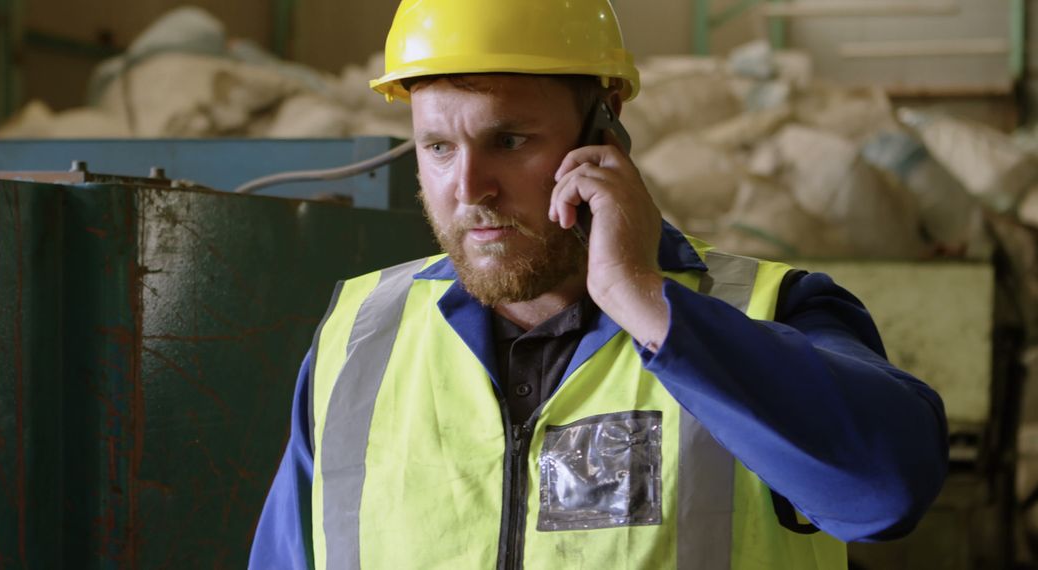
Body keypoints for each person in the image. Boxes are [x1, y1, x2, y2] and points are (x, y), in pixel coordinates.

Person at [250, 1, 948, 568]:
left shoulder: (772, 310)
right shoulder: (361, 335)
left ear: (606, 130)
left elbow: (887, 493)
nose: (469, 189)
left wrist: (643, 299)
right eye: (437, 147)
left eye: (510, 141)